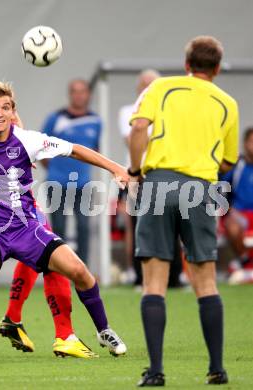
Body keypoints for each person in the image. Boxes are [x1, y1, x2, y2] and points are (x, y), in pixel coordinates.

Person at [0, 81, 128, 364]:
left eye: (5, 108)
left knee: (79, 271)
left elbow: (75, 149)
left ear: (13, 112)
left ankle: (104, 330)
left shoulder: (28, 140)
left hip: (26, 228)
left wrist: (116, 168)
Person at [0, 45, 94, 358]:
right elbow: (12, 124)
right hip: (5, 195)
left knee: (38, 257)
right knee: (51, 258)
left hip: (2, 191)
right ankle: (64, 335)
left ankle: (14, 318)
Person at [128, 36, 238, 386]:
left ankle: (156, 371)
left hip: (159, 183)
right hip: (202, 189)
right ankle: (217, 369)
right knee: (205, 280)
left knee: (154, 282)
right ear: (217, 69)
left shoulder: (161, 87)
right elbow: (226, 161)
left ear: (187, 63)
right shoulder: (228, 103)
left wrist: (134, 171)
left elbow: (139, 128)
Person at [42, 79, 101, 264]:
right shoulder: (56, 118)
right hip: (57, 182)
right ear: (70, 94)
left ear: (88, 95)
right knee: (59, 229)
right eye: (75, 91)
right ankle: (61, 268)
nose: (79, 95)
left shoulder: (96, 121)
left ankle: (82, 270)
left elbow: (95, 151)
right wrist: (55, 169)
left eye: (82, 91)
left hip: (83, 184)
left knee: (84, 227)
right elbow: (42, 148)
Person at [118, 70, 161, 285]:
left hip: (162, 174)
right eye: (144, 84)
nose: (148, 88)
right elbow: (134, 140)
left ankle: (174, 277)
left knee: (168, 226)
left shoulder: (166, 111)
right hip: (135, 175)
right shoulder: (128, 111)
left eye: (152, 84)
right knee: (137, 227)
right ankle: (138, 276)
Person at [221, 127, 253, 275]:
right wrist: (227, 209)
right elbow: (218, 188)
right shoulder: (236, 166)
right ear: (245, 144)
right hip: (240, 214)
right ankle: (245, 261)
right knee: (232, 225)